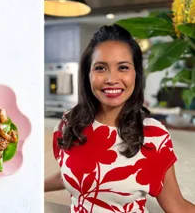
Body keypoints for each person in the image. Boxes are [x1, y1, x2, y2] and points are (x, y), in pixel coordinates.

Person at [44, 24, 195, 212]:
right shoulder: (70, 123)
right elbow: (72, 173)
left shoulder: (153, 135)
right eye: (100, 68)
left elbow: (176, 205)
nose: (111, 79)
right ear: (87, 74)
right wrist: (30, 185)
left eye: (123, 67)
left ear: (136, 74)